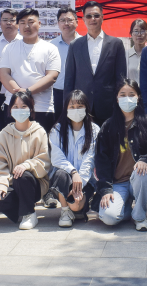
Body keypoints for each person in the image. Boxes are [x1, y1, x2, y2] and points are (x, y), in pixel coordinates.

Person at [95, 79, 147, 231]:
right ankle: (126, 208)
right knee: (109, 218)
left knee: (142, 174)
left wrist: (145, 159)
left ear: (138, 97)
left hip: (138, 181)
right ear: (116, 98)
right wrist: (106, 189)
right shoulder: (108, 126)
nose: (127, 98)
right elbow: (101, 160)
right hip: (118, 183)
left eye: (131, 94)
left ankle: (140, 217)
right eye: (122, 94)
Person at [0, 91, 51, 229]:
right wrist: (0, 184)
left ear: (31, 109)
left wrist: (27, 165)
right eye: (15, 107)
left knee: (22, 176)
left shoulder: (39, 131)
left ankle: (29, 214)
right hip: (12, 183)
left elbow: (44, 159)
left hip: (34, 183)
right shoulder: (4, 134)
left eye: (23, 106)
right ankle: (22, 208)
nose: (19, 110)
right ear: (10, 109)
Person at [65, 1, 128, 125]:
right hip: (80, 106)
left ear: (102, 18)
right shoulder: (75, 45)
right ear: (83, 19)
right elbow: (69, 79)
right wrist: (68, 106)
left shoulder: (116, 44)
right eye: (88, 16)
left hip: (108, 107)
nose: (92, 19)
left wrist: (119, 105)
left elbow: (121, 79)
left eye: (96, 15)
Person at [0, 8, 61, 131]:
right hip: (14, 107)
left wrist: (28, 92)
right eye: (22, 22)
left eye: (31, 22)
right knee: (13, 141)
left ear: (39, 24)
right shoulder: (9, 48)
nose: (27, 26)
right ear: (18, 25)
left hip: (41, 108)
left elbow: (52, 76)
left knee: (40, 141)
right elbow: (3, 74)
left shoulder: (50, 48)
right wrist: (19, 96)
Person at [47, 89, 100, 227]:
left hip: (85, 181)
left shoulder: (94, 130)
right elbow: (57, 158)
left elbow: (90, 159)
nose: (76, 110)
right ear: (66, 109)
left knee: (76, 206)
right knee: (60, 174)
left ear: (86, 108)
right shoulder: (57, 130)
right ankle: (65, 211)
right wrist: (73, 172)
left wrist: (79, 183)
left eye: (80, 106)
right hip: (63, 178)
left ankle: (77, 207)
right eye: (72, 107)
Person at [0, 8, 23, 128]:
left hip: (18, 94)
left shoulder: (24, 43)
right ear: (0, 22)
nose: (8, 23)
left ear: (18, 23)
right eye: (5, 20)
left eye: (12, 20)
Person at [51, 7, 81, 111]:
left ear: (77, 22)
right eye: (62, 20)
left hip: (80, 92)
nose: (66, 23)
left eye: (69, 20)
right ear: (58, 23)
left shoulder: (85, 43)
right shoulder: (51, 45)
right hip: (57, 93)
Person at [126, 19, 147, 84]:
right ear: (131, 34)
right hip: (131, 90)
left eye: (142, 31)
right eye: (136, 31)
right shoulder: (125, 55)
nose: (139, 34)